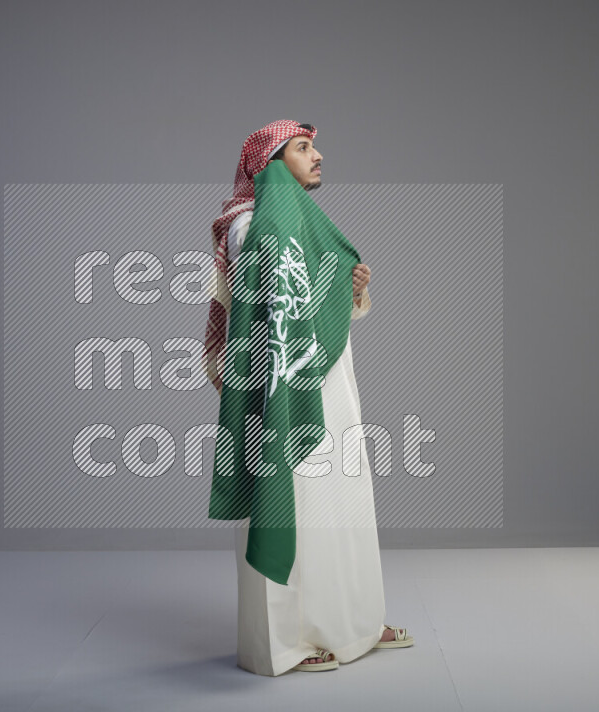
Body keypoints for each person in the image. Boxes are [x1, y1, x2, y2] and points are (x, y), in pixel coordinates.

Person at [203, 120, 414, 676]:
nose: (317, 156)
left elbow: (316, 310)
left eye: (314, 146)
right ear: (270, 165)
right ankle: (285, 644)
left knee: (342, 502)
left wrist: (351, 289)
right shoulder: (251, 225)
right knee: (289, 500)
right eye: (302, 148)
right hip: (282, 388)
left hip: (330, 380)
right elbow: (269, 311)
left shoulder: (301, 221)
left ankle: (356, 625)